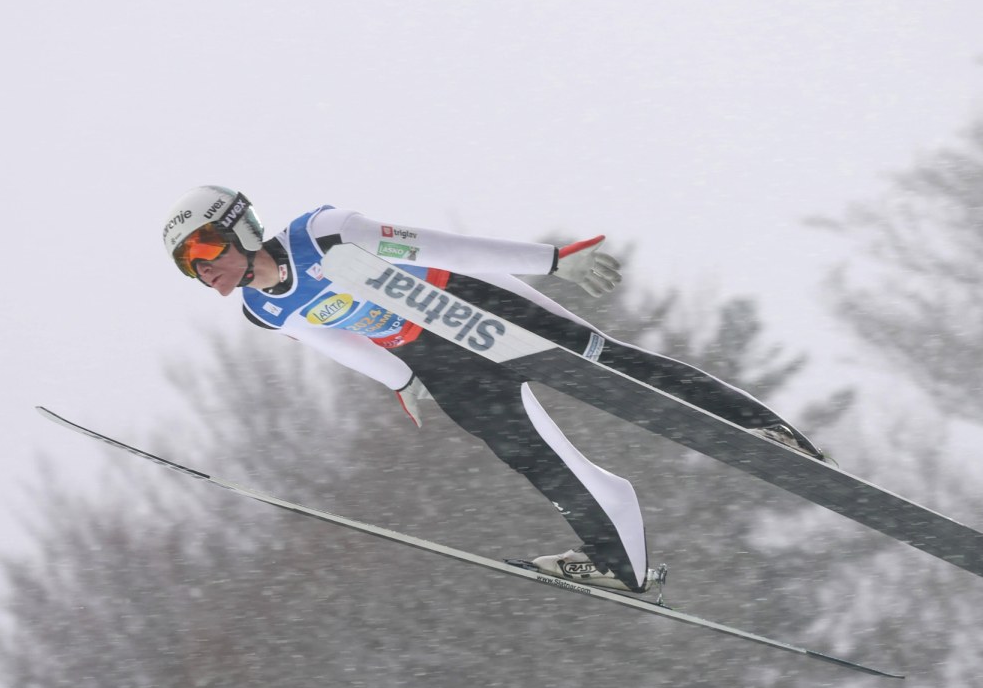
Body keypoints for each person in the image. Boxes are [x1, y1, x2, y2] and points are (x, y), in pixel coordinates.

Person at [162, 186, 828, 593]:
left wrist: (553, 261)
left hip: (472, 306)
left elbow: (445, 246)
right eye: (190, 267)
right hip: (433, 358)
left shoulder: (324, 234)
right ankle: (619, 562)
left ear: (240, 225)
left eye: (207, 247)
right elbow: (330, 338)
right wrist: (402, 381)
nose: (207, 269)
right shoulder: (264, 310)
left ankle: (762, 430)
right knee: (533, 458)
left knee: (615, 369)